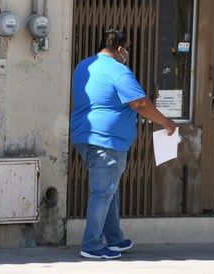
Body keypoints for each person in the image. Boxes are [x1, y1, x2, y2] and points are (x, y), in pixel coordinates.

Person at [70, 29, 176, 259]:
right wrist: (166, 123)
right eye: (127, 48)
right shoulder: (119, 71)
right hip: (107, 140)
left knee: (110, 190)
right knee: (103, 192)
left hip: (83, 136)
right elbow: (139, 103)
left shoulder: (83, 67)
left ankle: (115, 240)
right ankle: (92, 246)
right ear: (120, 50)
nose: (127, 53)